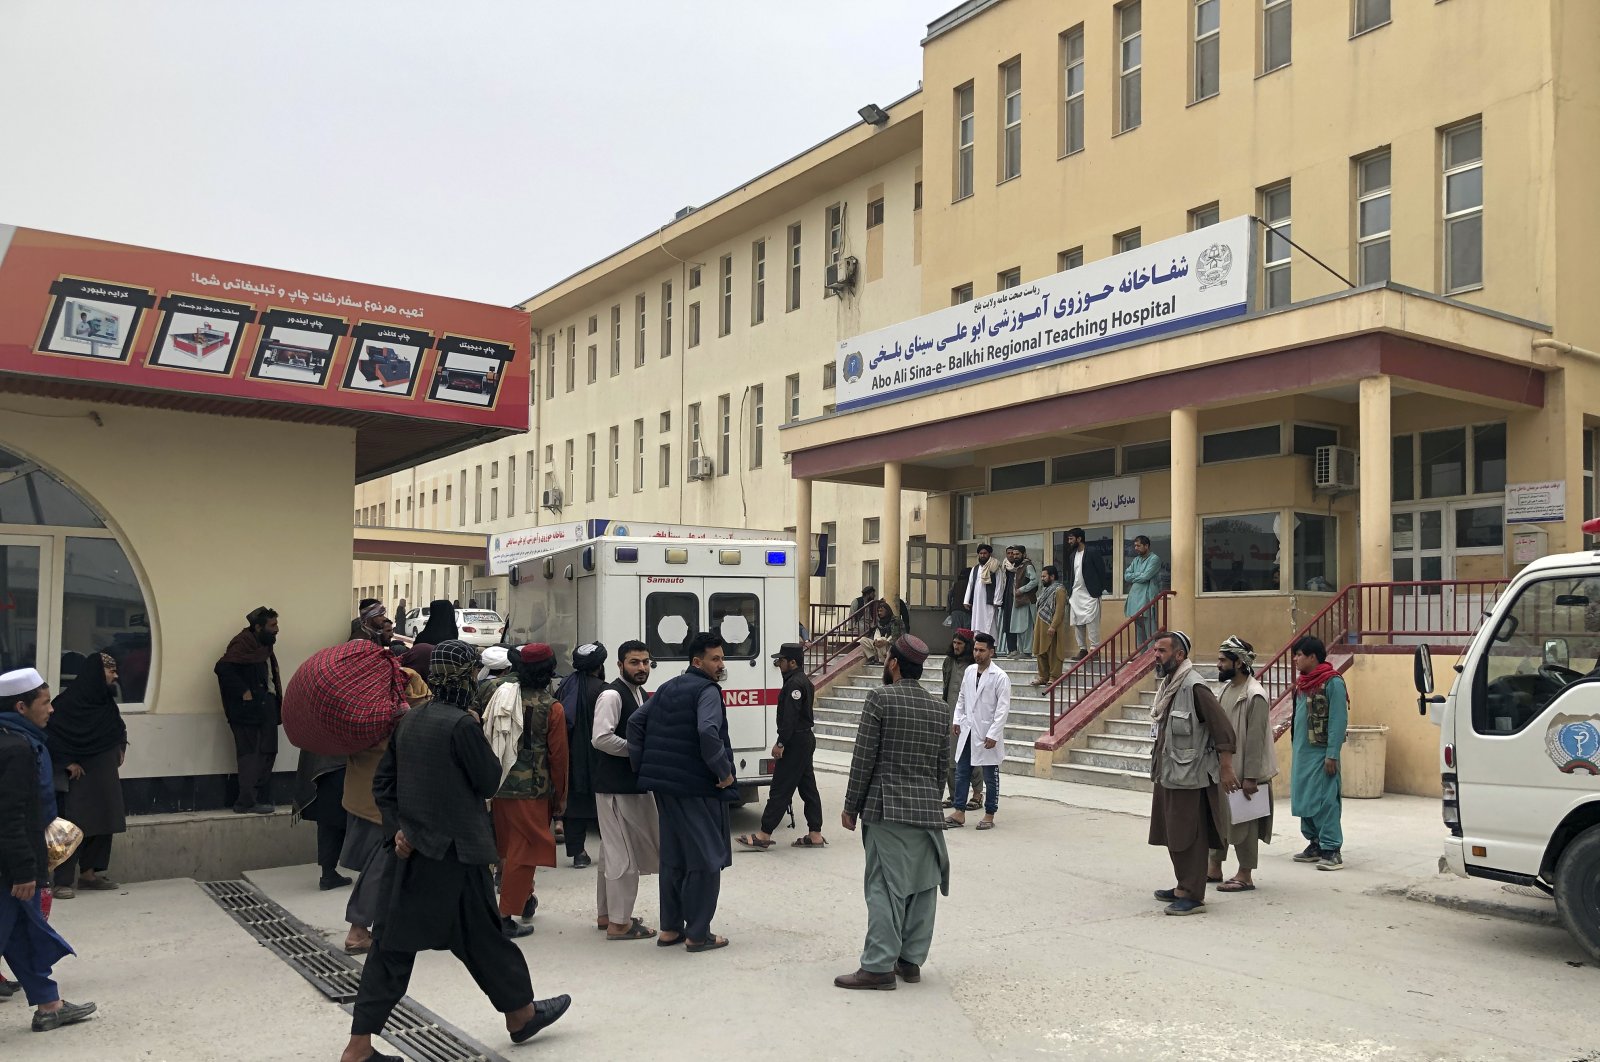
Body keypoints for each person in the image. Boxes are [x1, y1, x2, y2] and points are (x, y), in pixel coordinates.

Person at [338, 647, 570, 1062]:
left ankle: (521, 1014)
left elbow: (384, 785)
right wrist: (479, 733)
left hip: (418, 855)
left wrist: (397, 831)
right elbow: (486, 781)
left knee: (479, 941)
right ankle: (358, 1051)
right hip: (454, 856)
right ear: (464, 677)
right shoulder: (463, 725)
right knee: (399, 949)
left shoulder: (410, 720)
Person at [835, 635, 950, 991]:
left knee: (885, 887)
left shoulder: (880, 699)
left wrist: (851, 805)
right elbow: (942, 767)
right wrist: (932, 801)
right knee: (921, 887)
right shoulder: (939, 708)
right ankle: (910, 961)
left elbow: (864, 757)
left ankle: (878, 967)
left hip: (887, 809)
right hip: (927, 813)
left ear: (895, 663)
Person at [627, 633, 737, 952]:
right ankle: (698, 934)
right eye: (715, 659)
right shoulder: (707, 692)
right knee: (706, 858)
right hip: (697, 786)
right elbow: (707, 731)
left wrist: (644, 764)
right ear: (697, 662)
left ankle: (670, 929)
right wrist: (724, 773)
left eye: (722, 658)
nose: (721, 664)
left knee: (674, 857)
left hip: (665, 787)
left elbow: (636, 723)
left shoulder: (667, 687)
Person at [0, 668, 96, 1032]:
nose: (52, 709)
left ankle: (50, 1006)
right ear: (21, 706)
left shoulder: (14, 739)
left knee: (23, 932)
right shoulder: (17, 749)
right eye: (45, 702)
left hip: (13, 857)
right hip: (10, 864)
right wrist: (24, 871)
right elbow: (11, 816)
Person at [339, 668, 430, 957]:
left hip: (359, 793)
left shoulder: (357, 701)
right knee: (381, 866)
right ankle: (358, 930)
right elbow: (420, 710)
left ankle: (390, 923)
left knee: (379, 863)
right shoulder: (396, 700)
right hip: (385, 800)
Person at [1147, 631, 1239, 916]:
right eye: (1155, 651)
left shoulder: (1195, 687)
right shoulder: (1170, 686)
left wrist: (1225, 768)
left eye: (1162, 651)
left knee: (1190, 835)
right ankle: (1181, 886)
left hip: (1192, 776)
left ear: (1179, 655)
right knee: (1172, 832)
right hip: (1170, 772)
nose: (1156, 656)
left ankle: (1193, 894)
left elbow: (1223, 730)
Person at [484, 644, 566, 935]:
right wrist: (561, 798)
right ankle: (505, 916)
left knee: (506, 848)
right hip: (533, 788)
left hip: (498, 782)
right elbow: (558, 758)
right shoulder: (551, 707)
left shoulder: (499, 693)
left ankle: (524, 898)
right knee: (525, 851)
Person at [590, 640, 661, 940]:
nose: (642, 668)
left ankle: (608, 915)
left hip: (628, 786)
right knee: (623, 857)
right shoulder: (611, 695)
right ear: (620, 665)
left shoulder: (639, 693)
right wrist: (638, 751)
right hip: (616, 788)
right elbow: (601, 738)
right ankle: (620, 924)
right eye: (634, 662)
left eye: (645, 662)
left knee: (611, 853)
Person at [46, 652, 127, 897]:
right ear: (96, 672)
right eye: (110, 670)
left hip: (103, 771)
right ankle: (63, 881)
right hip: (78, 777)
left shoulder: (105, 702)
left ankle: (89, 874)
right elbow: (50, 735)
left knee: (104, 820)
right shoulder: (66, 703)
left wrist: (121, 747)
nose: (116, 675)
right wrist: (66, 761)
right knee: (73, 825)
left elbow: (116, 727)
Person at [736, 643, 825, 852]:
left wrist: (781, 743)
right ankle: (815, 834)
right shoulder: (802, 681)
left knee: (780, 787)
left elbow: (790, 719)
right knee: (807, 787)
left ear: (792, 662)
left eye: (781, 660)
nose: (778, 664)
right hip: (804, 740)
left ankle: (764, 834)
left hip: (795, 741)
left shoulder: (795, 684)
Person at [1208, 637, 1277, 892]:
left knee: (1245, 825)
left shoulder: (1254, 694)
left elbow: (1257, 741)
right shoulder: (1226, 690)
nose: (1218, 665)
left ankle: (1245, 874)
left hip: (1246, 774)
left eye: (1223, 660)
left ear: (1238, 663)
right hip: (1224, 770)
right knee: (1218, 820)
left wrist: (1250, 777)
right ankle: (1213, 867)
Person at [214, 606, 282, 814]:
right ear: (258, 627)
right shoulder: (242, 644)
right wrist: (245, 692)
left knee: (268, 751)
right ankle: (246, 801)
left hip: (266, 707)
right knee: (250, 755)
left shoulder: (263, 647)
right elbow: (222, 668)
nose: (277, 629)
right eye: (272, 625)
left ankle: (259, 797)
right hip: (247, 712)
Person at [1290, 635, 1349, 871]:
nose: (1295, 659)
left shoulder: (1332, 682)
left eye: (1299, 655)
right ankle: (1314, 843)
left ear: (1313, 656)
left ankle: (1331, 848)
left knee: (1325, 800)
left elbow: (1338, 720)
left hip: (1322, 753)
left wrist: (1332, 754)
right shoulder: (1303, 684)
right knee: (1304, 798)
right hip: (1302, 753)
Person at [946, 632, 1010, 831]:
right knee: (962, 771)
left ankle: (989, 813)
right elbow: (962, 698)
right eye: (975, 649)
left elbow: (1002, 709)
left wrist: (993, 733)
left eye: (982, 650)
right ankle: (959, 812)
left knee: (990, 776)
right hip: (968, 730)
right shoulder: (970, 671)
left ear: (991, 652)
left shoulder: (1000, 677)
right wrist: (957, 719)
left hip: (987, 732)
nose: (977, 654)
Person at [553, 644, 605, 869]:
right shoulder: (605, 689)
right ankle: (613, 851)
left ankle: (578, 853)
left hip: (571, 755)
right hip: (599, 756)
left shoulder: (565, 685)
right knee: (605, 805)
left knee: (574, 804)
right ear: (600, 665)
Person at [293, 748, 349, 892]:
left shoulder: (313, 727)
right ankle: (330, 874)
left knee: (327, 822)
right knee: (336, 821)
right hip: (337, 765)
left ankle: (328, 873)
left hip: (321, 767)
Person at [940, 630, 982, 811]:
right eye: (955, 643)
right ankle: (955, 795)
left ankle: (977, 794)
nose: (956, 646)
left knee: (972, 754)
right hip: (951, 714)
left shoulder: (974, 665)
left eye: (960, 644)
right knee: (950, 755)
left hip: (971, 716)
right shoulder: (949, 662)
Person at [1061, 529, 1109, 659]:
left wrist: (1100, 589)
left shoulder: (1092, 552)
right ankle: (1082, 649)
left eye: (1071, 539)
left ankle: (1095, 649)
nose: (1069, 541)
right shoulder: (1072, 555)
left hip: (1090, 593)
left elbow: (1101, 571)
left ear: (1079, 539)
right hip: (1076, 593)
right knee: (1077, 622)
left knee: (1092, 621)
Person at [1030, 565, 1067, 688]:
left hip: (1052, 626)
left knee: (1053, 651)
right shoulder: (1045, 590)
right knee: (1041, 651)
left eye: (1044, 576)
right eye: (1041, 576)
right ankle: (1043, 676)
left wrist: (1053, 626)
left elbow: (1059, 610)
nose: (1042, 579)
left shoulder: (1059, 590)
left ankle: (1054, 676)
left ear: (1052, 576)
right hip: (1041, 625)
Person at [1124, 536, 1163, 649]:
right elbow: (1126, 576)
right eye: (1135, 545)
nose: (1136, 548)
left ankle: (1151, 656)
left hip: (1147, 598)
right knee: (1139, 631)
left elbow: (1146, 576)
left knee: (1150, 629)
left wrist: (1135, 576)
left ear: (1146, 546)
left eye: (1138, 545)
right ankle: (1141, 657)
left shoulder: (1154, 559)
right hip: (1135, 599)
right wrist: (1139, 575)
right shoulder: (1136, 560)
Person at [999, 546, 1038, 658]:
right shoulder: (1018, 567)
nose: (1015, 556)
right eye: (1013, 554)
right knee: (1018, 628)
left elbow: (1034, 581)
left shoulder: (1027, 565)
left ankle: (1027, 651)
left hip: (1026, 601)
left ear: (1023, 554)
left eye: (1017, 554)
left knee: (1026, 627)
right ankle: (1022, 651)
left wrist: (1021, 590)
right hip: (1018, 601)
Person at [962, 544, 1002, 639]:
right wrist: (966, 601)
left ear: (989, 554)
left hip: (989, 602)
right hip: (977, 603)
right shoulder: (975, 569)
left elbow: (999, 585)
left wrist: (997, 600)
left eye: (985, 553)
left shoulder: (995, 567)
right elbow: (970, 585)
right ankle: (978, 645)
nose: (983, 555)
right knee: (977, 624)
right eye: (981, 553)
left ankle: (991, 647)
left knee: (990, 624)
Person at [858, 599, 904, 666]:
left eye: (881, 611)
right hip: (880, 645)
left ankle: (882, 661)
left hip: (892, 646)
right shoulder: (880, 622)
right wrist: (875, 641)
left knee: (882, 639)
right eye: (878, 611)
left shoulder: (895, 621)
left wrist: (887, 642)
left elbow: (896, 637)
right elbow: (877, 633)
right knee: (863, 640)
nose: (879, 613)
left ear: (887, 611)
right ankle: (872, 658)